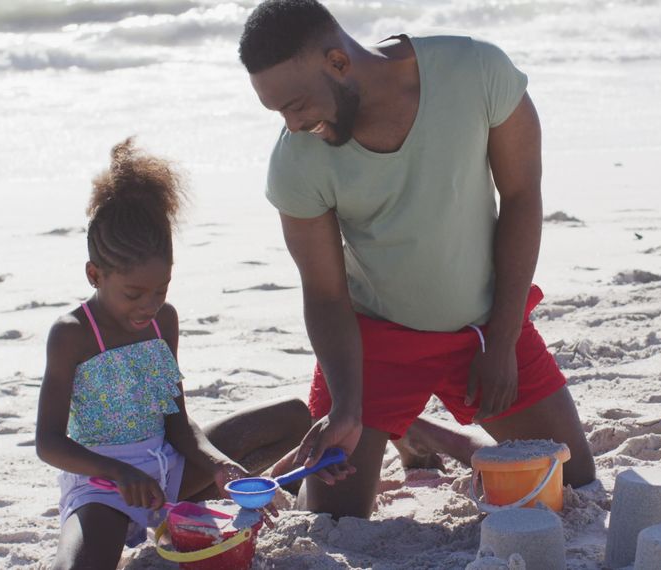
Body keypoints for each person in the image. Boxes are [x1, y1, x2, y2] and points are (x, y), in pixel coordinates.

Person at [237, 0, 596, 519]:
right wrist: (346, 405)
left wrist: (501, 340)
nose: (292, 125)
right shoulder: (296, 159)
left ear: (338, 62)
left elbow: (521, 197)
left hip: (483, 327)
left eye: (295, 104)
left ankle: (416, 428)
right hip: (373, 344)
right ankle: (399, 424)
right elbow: (324, 293)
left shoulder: (476, 72)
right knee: (332, 518)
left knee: (572, 481)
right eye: (278, 113)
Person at [34, 139, 341, 569]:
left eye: (161, 289)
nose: (148, 305)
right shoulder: (72, 335)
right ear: (94, 275)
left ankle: (221, 495)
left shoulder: (165, 321)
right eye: (133, 293)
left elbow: (177, 422)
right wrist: (120, 473)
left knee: (293, 415)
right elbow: (48, 442)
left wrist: (220, 466)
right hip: (105, 488)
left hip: (171, 475)